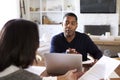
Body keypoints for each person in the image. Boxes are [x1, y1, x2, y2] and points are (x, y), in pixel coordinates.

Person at [0, 19, 83, 80]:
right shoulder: (19, 75)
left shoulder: (9, 68)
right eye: (35, 40)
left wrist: (62, 78)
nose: (37, 46)